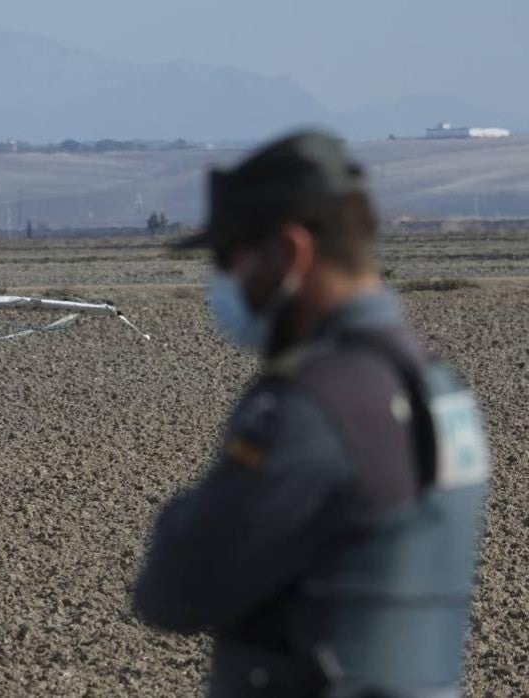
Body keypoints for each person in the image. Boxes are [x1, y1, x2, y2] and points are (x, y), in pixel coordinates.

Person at [133, 131, 488, 697]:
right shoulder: (440, 388)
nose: (222, 280)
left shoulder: (311, 404)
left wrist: (183, 515)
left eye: (231, 257)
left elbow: (174, 590)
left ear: (291, 252)